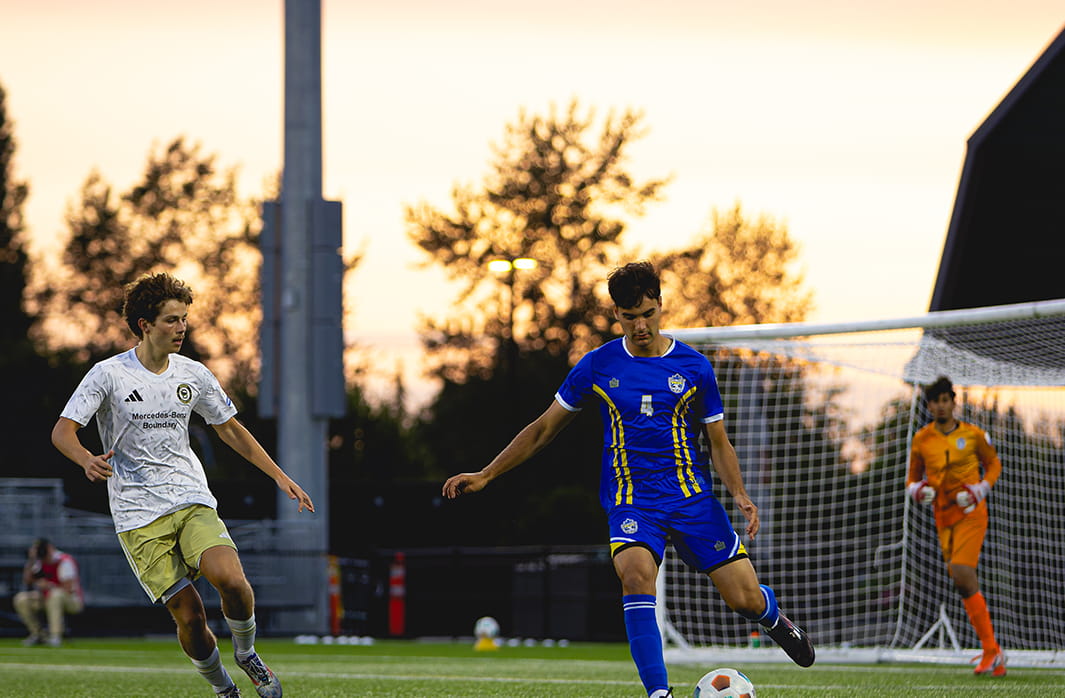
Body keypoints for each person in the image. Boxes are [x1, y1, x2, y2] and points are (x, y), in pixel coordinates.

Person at [443, 261, 814, 697]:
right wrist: (487, 473)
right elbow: (544, 428)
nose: (641, 325)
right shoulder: (596, 366)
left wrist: (741, 496)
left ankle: (771, 616)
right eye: (629, 316)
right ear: (616, 314)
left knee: (743, 600)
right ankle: (659, 694)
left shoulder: (694, 369)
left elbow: (718, 442)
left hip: (692, 500)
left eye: (647, 313)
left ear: (660, 305)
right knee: (635, 577)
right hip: (631, 501)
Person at [51, 272, 315, 698]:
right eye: (172, 320)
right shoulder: (108, 375)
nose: (182, 327)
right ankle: (224, 689)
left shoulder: (193, 374)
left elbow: (230, 430)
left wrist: (280, 476)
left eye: (184, 319)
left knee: (230, 579)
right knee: (190, 617)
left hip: (190, 498)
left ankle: (247, 654)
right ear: (145, 325)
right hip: (138, 514)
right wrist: (86, 459)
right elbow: (63, 432)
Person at [907, 376, 1005, 677]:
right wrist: (920, 492)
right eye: (934, 401)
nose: (940, 406)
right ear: (929, 405)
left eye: (945, 400)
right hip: (943, 517)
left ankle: (991, 650)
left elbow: (994, 465)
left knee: (963, 572)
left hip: (971, 514)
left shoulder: (974, 435)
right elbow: (912, 480)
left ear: (953, 402)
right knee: (961, 582)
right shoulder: (922, 439)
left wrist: (979, 491)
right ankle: (993, 652)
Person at [13, 538, 84, 647]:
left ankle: (55, 636)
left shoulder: (64, 561)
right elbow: (27, 581)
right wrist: (31, 560)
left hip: (71, 601)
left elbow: (69, 588)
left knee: (55, 595)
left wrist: (49, 585)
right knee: (21, 599)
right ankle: (38, 634)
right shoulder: (38, 562)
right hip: (46, 597)